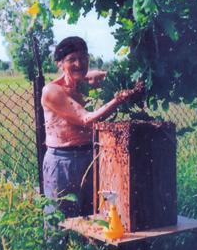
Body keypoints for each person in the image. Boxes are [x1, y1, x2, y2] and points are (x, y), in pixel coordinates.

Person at [41, 36, 141, 218]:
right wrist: (118, 100)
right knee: (60, 219)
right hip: (64, 161)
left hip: (91, 155)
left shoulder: (86, 83)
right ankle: (57, 247)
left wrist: (134, 82)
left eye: (83, 57)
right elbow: (86, 119)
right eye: (72, 60)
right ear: (60, 64)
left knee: (94, 215)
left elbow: (108, 76)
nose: (79, 63)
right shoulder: (52, 91)